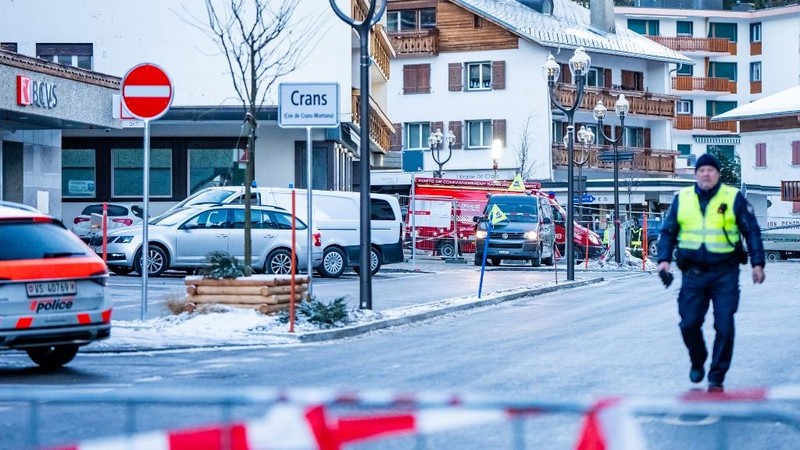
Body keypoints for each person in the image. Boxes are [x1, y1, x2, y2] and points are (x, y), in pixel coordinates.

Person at [657, 153, 765, 393]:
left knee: (724, 326)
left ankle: (716, 377)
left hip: (725, 273)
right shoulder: (682, 199)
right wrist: (663, 260)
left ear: (718, 174)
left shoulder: (733, 197)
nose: (706, 174)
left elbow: (752, 231)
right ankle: (698, 359)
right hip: (693, 274)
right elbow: (668, 232)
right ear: (696, 174)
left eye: (710, 170)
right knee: (689, 324)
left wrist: (758, 263)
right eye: (702, 170)